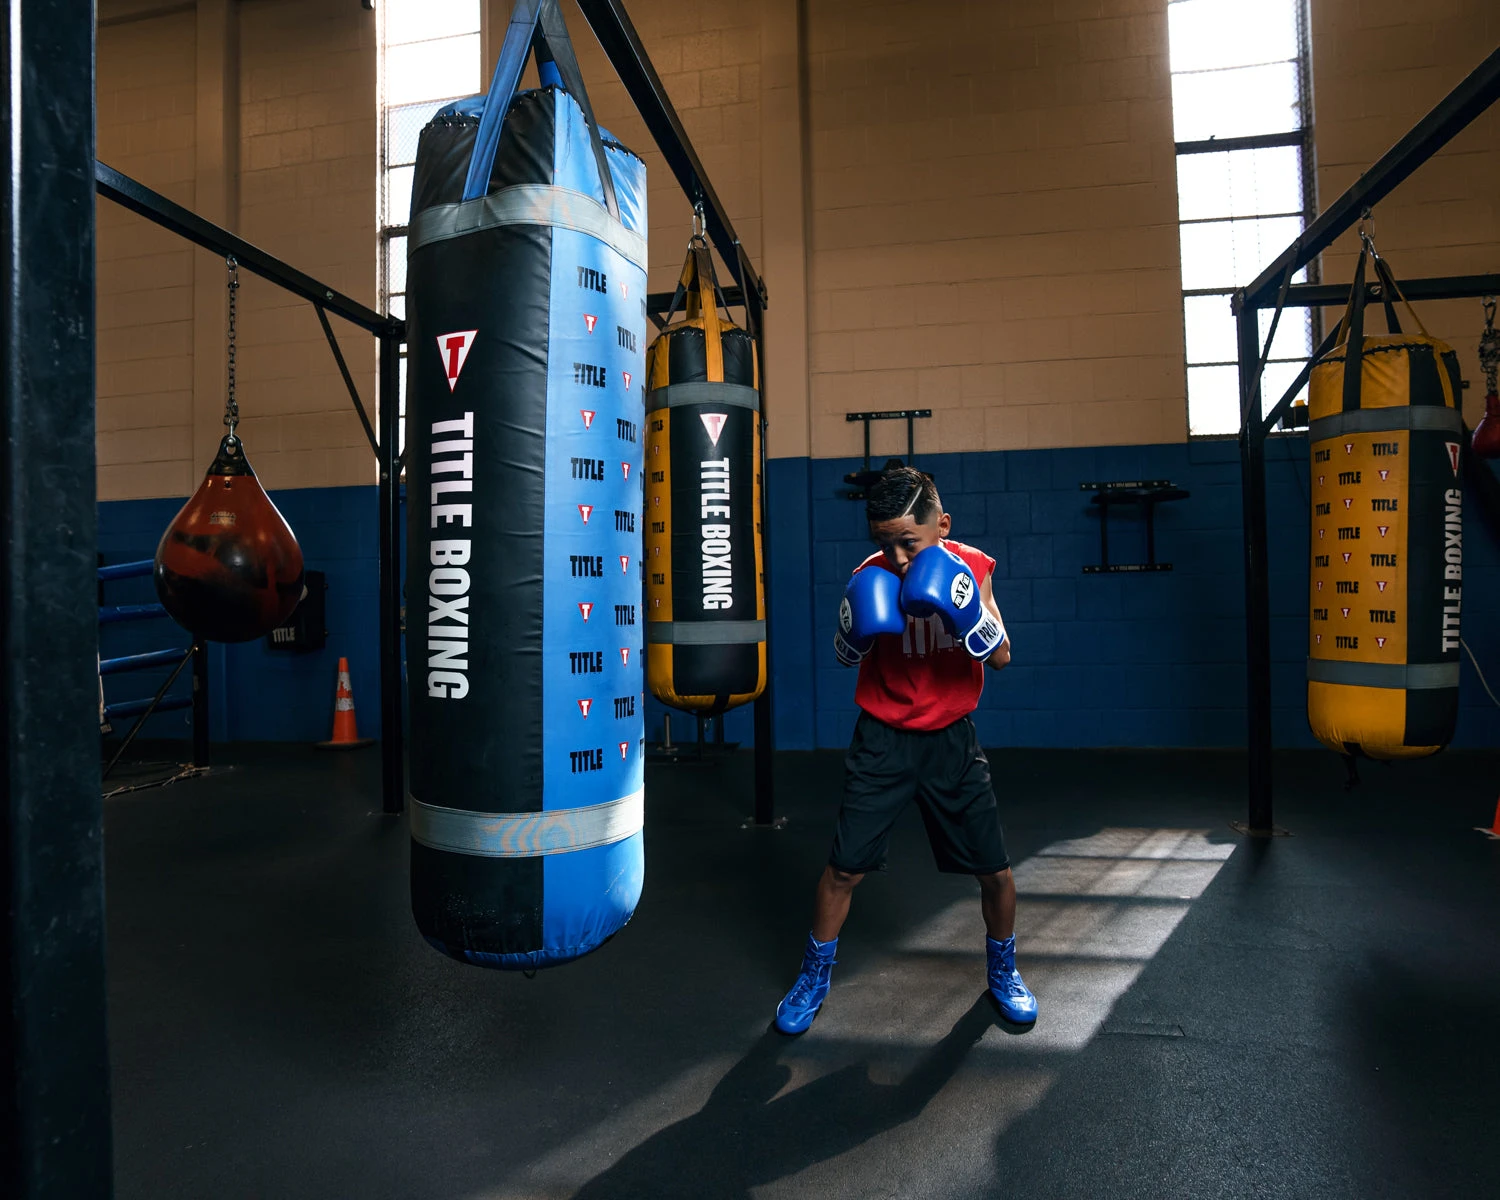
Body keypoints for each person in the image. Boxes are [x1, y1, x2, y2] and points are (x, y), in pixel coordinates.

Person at [774, 464, 1037, 1034]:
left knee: (995, 871)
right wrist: (857, 629)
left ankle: (1004, 971)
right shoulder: (868, 576)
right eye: (884, 543)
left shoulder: (973, 566)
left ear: (940, 525)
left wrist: (966, 611)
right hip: (883, 741)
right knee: (843, 870)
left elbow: (1003, 656)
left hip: (951, 741)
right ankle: (813, 977)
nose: (895, 557)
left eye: (907, 542)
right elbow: (846, 658)